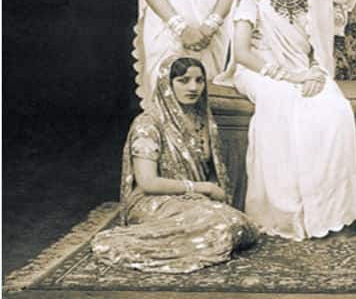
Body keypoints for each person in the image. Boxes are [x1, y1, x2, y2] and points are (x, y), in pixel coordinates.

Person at [214, 0, 356, 240]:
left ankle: (329, 213)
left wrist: (316, 73)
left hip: (303, 71)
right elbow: (241, 52)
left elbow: (320, 50)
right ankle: (286, 211)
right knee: (283, 102)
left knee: (336, 110)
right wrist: (285, 75)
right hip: (258, 70)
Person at [91, 56, 258, 273]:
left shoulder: (203, 119)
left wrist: (205, 193)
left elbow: (212, 169)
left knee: (241, 224)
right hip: (153, 200)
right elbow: (148, 182)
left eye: (199, 80)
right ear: (166, 84)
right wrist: (201, 188)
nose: (193, 87)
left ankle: (199, 235)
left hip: (193, 200)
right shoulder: (148, 124)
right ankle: (124, 241)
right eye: (183, 80)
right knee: (219, 225)